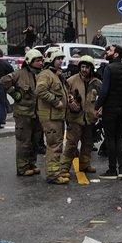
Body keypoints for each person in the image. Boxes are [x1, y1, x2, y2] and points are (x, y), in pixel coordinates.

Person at [1, 48, 41, 177]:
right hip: (23, 114)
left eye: (41, 60)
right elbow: (4, 81)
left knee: (35, 141)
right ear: (30, 61)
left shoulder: (40, 74)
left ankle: (31, 163)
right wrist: (14, 93)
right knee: (24, 141)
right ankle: (22, 168)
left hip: (37, 113)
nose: (40, 63)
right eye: (37, 61)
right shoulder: (19, 74)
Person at [95, 44, 122, 179]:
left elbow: (104, 91)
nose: (107, 52)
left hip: (110, 110)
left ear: (116, 54)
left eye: (110, 50)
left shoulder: (109, 68)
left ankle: (112, 170)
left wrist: (97, 107)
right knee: (119, 139)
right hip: (121, 110)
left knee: (110, 139)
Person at [35, 47, 69, 185]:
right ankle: (53, 175)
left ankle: (55, 171)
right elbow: (40, 91)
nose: (61, 61)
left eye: (62, 59)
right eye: (58, 59)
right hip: (50, 117)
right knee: (54, 145)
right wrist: (56, 102)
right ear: (51, 59)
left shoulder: (55, 74)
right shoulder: (46, 75)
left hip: (57, 116)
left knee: (57, 144)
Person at [65, 55, 100, 176]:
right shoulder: (71, 80)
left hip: (89, 119)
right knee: (71, 144)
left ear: (91, 68)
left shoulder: (96, 82)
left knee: (88, 143)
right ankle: (64, 168)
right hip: (75, 118)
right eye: (82, 67)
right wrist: (70, 102)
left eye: (87, 67)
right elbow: (64, 94)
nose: (84, 69)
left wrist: (100, 111)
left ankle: (85, 165)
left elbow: (102, 98)